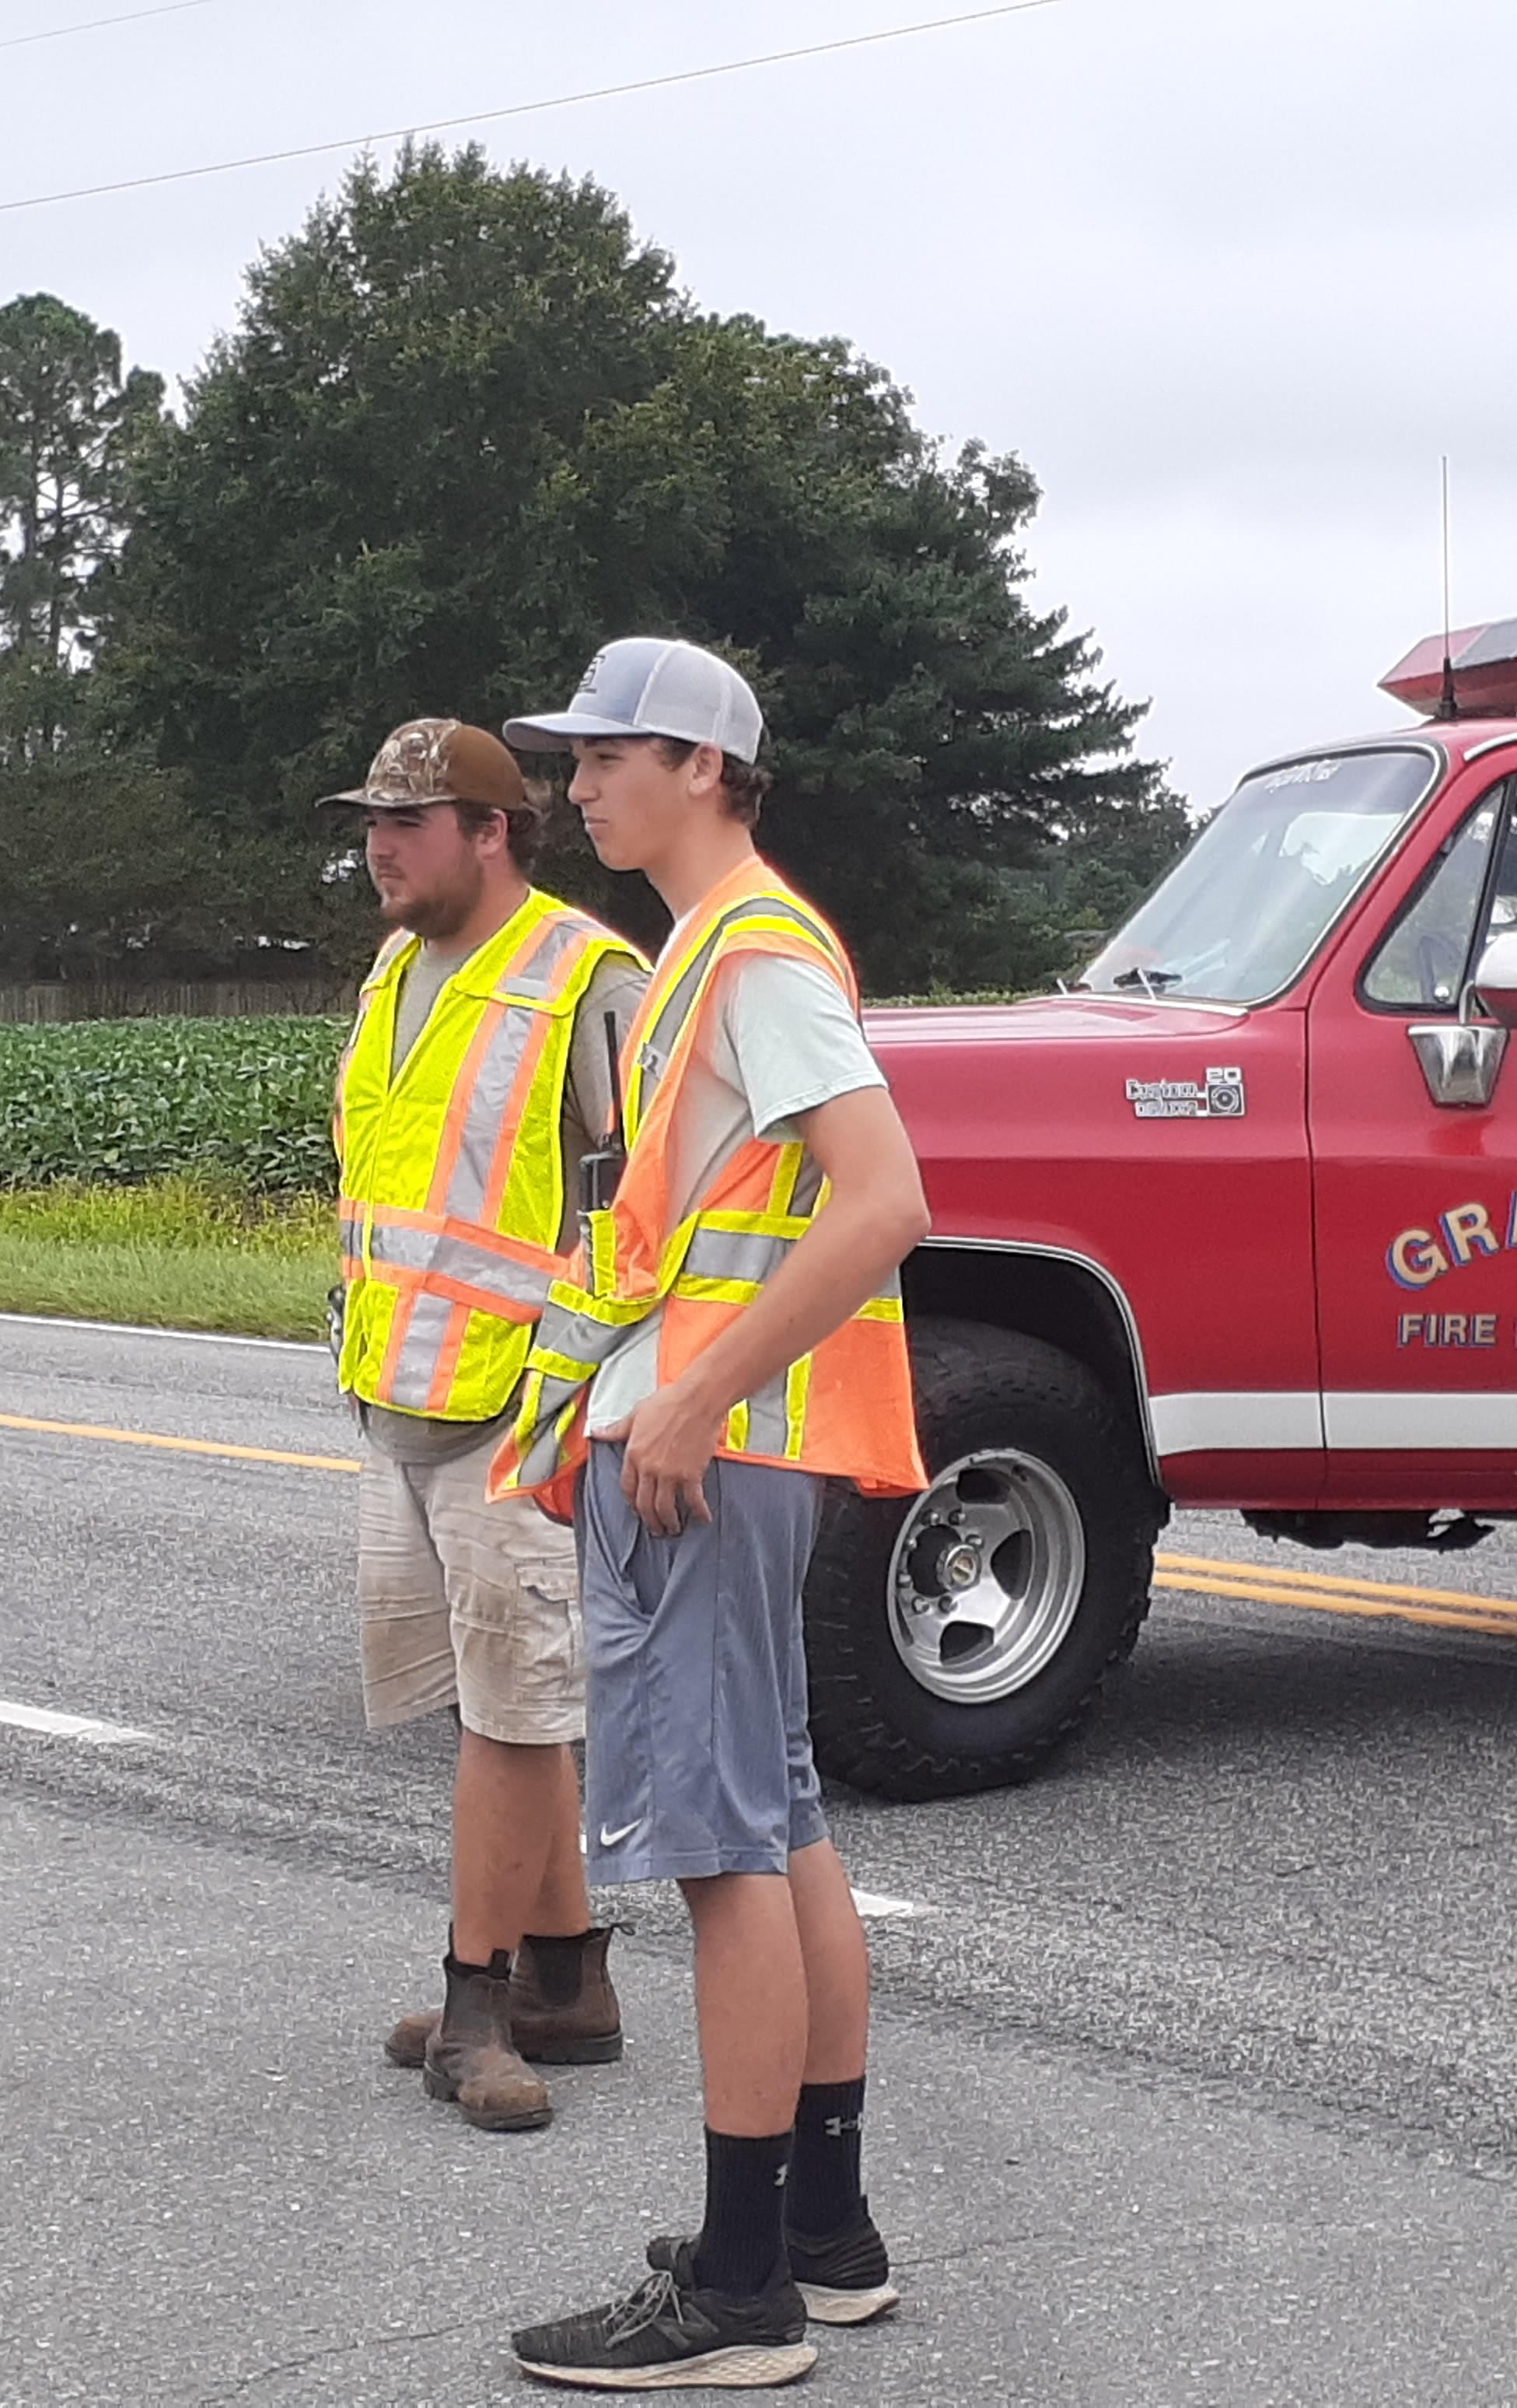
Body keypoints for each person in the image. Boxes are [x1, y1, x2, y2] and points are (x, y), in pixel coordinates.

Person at [489, 641, 932, 2390]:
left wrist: (685, 1394)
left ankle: (740, 2292)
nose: (578, 785)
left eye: (605, 756)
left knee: (720, 1855)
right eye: (574, 759)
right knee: (783, 1822)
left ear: (702, 764)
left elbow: (885, 1199)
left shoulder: (749, 950)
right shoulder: (710, 953)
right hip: (724, 1452)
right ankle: (823, 2238)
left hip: (704, 1457)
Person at [323, 717, 649, 2133]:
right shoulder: (400, 966)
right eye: (371, 822)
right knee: (489, 1704)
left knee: (516, 1720)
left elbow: (651, 1211)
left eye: (410, 821)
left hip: (521, 1409)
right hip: (400, 1386)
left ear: (492, 831)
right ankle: (569, 1983)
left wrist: (575, 1392)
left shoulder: (587, 978)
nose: (380, 847)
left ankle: (478, 2007)